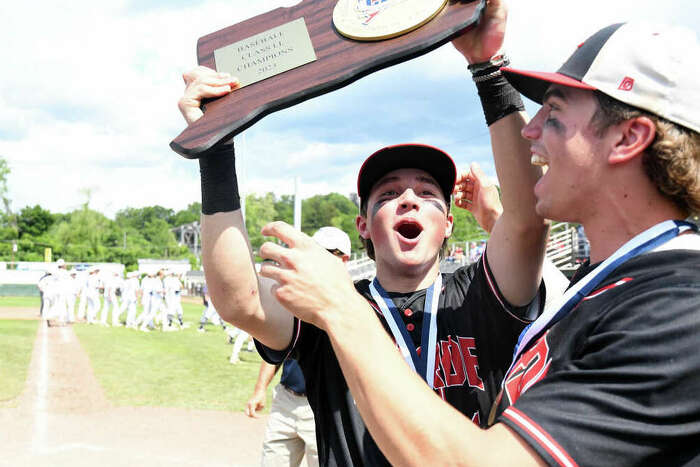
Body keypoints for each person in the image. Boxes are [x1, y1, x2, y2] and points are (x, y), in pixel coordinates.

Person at [257, 3, 700, 465]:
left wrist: (340, 307)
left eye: (553, 115)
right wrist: (485, 66)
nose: (529, 130)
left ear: (628, 138)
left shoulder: (679, 305)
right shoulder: (622, 282)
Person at [178, 16, 548, 460]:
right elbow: (239, 300)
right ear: (363, 226)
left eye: (428, 194)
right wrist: (215, 147)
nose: (409, 199)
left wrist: (487, 67)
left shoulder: (478, 295)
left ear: (448, 223)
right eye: (388, 194)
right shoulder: (329, 303)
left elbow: (527, 220)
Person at [245, 227, 352, 467]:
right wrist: (260, 389)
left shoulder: (354, 301)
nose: (321, 258)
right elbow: (276, 349)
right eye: (318, 252)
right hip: (286, 399)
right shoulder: (294, 297)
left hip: (325, 406)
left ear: (344, 259)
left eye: (330, 253)